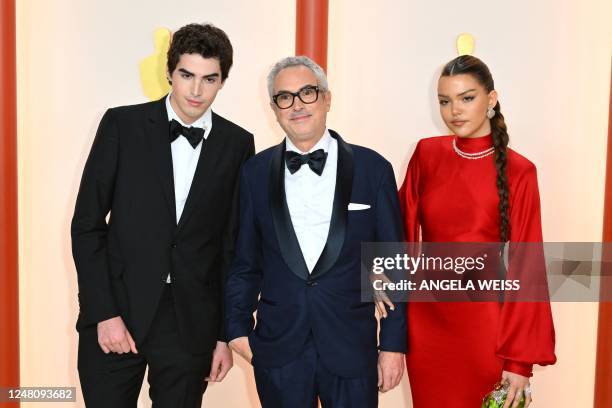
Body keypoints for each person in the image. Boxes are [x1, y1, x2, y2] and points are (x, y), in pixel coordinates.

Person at [71, 23, 254, 407]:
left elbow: (231, 247)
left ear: (223, 81)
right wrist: (104, 312)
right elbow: (87, 225)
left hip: (190, 324)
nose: (196, 90)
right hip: (117, 309)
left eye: (209, 79)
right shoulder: (122, 125)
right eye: (187, 75)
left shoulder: (238, 144)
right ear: (169, 72)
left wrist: (223, 334)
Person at [225, 56, 406, 408]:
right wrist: (235, 329)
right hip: (279, 347)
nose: (297, 105)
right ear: (274, 108)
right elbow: (245, 261)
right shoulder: (254, 173)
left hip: (352, 346)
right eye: (285, 97)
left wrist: (393, 344)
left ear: (327, 98)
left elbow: (392, 266)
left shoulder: (373, 169)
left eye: (307, 93)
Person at [399, 55, 556, 407]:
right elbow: (398, 230)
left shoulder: (520, 171)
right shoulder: (426, 153)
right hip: (426, 325)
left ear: (492, 99)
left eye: (466, 98)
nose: (454, 110)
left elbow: (528, 267)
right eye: (444, 101)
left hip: (487, 331)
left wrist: (519, 362)